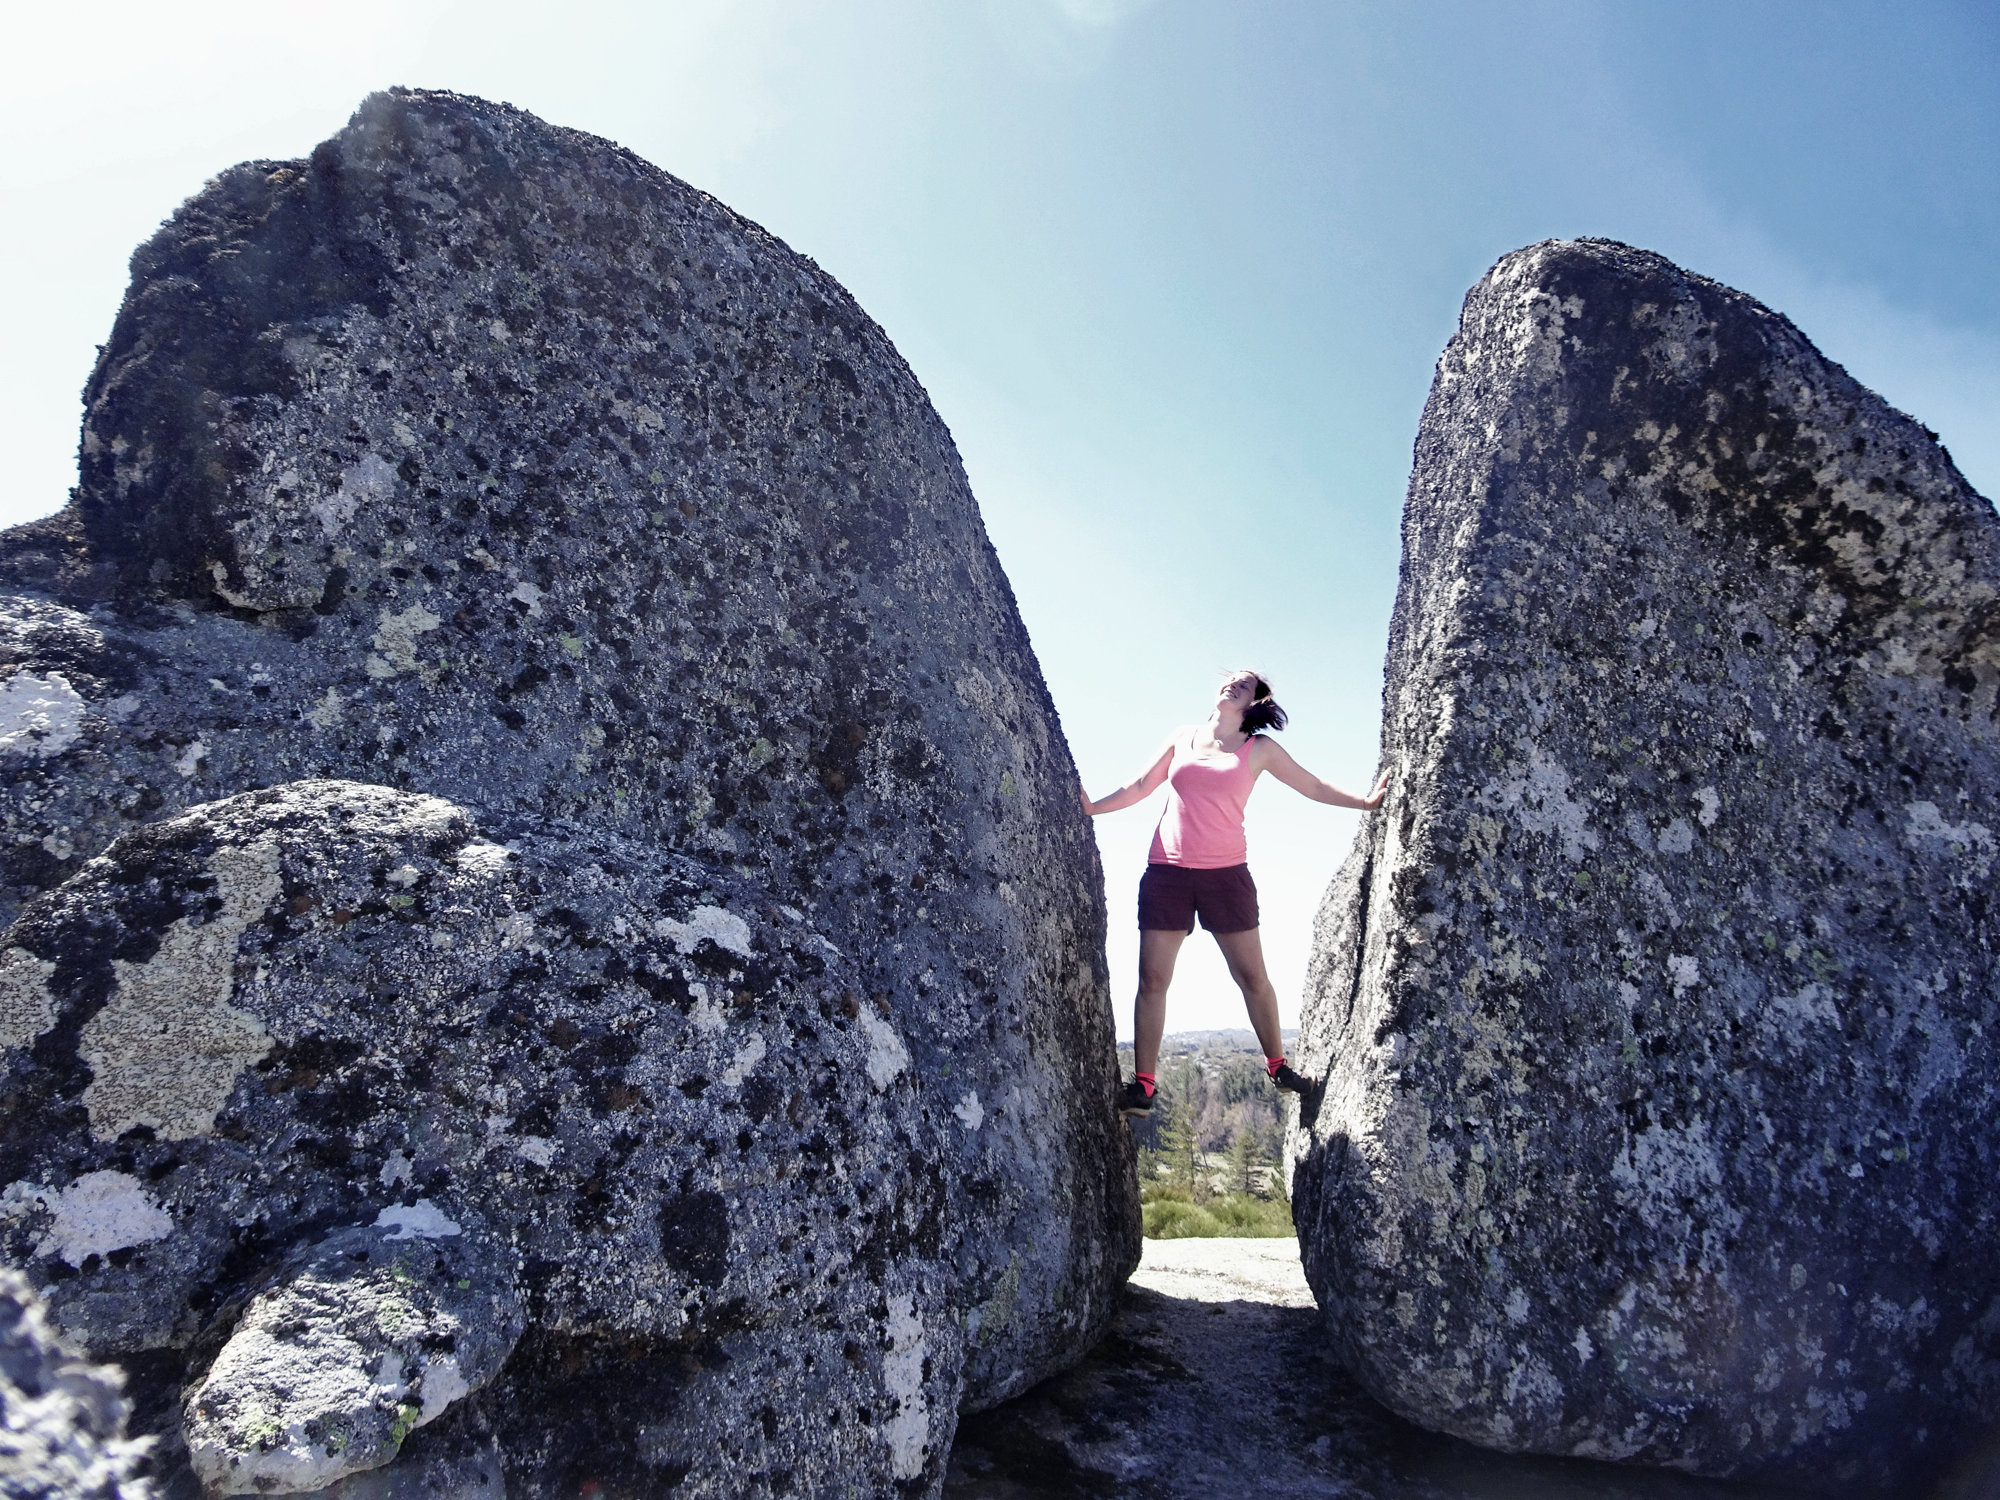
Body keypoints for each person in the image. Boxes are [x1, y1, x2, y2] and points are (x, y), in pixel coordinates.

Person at [1080, 670, 1389, 1118]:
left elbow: (1312, 785)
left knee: (1252, 978)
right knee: (1152, 981)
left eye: (1245, 686)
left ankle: (1279, 1066)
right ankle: (1144, 1087)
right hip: (1167, 872)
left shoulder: (1258, 749)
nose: (1233, 685)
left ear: (1253, 703)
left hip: (1226, 877)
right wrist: (1093, 809)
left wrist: (1363, 802)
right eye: (1231, 680)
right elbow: (1141, 786)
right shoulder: (1182, 738)